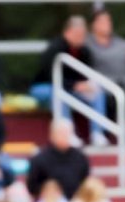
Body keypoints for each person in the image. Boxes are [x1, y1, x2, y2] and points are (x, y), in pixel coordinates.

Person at [33, 16, 108, 145]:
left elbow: (86, 76)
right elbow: (51, 77)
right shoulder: (55, 48)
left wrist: (86, 85)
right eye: (78, 34)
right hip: (45, 88)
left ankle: (97, 133)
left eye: (83, 34)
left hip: (70, 89)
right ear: (68, 32)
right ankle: (67, 133)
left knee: (97, 93)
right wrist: (74, 85)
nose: (81, 38)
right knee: (60, 94)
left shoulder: (84, 52)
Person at [26, 120, 91, 199]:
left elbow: (85, 180)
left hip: (76, 201)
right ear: (52, 135)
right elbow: (32, 186)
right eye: (61, 133)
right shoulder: (40, 159)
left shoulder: (80, 157)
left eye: (67, 133)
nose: (64, 136)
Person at [85, 10, 125, 92]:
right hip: (103, 89)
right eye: (102, 21)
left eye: (108, 20)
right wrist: (112, 84)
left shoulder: (121, 43)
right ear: (93, 25)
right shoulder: (86, 45)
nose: (107, 24)